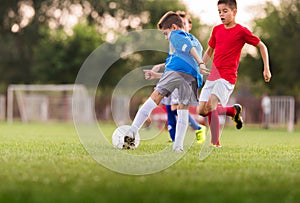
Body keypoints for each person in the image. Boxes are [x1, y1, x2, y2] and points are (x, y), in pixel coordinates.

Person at [127, 11, 209, 152]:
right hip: (191, 77)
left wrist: (201, 63)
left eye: (165, 33)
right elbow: (180, 59)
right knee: (182, 110)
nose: (166, 38)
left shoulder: (176, 35)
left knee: (155, 97)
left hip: (176, 72)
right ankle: (178, 147)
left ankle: (132, 131)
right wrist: (156, 74)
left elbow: (188, 48)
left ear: (174, 27)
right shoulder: (195, 40)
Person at [197, 0, 272, 147]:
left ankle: (215, 144)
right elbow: (210, 50)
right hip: (213, 75)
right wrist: (201, 64)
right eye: (219, 11)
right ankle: (232, 111)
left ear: (234, 12)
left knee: (212, 104)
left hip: (227, 77)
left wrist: (266, 68)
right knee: (201, 110)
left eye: (225, 11)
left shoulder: (241, 31)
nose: (221, 14)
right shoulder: (216, 30)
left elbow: (261, 46)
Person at [147, 11, 206, 143]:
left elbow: (187, 60)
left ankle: (196, 128)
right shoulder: (175, 39)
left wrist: (200, 63)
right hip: (175, 74)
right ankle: (174, 139)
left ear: (189, 26)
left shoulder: (189, 41)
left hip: (184, 77)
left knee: (175, 107)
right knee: (169, 107)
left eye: (185, 23)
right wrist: (159, 68)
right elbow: (173, 59)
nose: (182, 26)